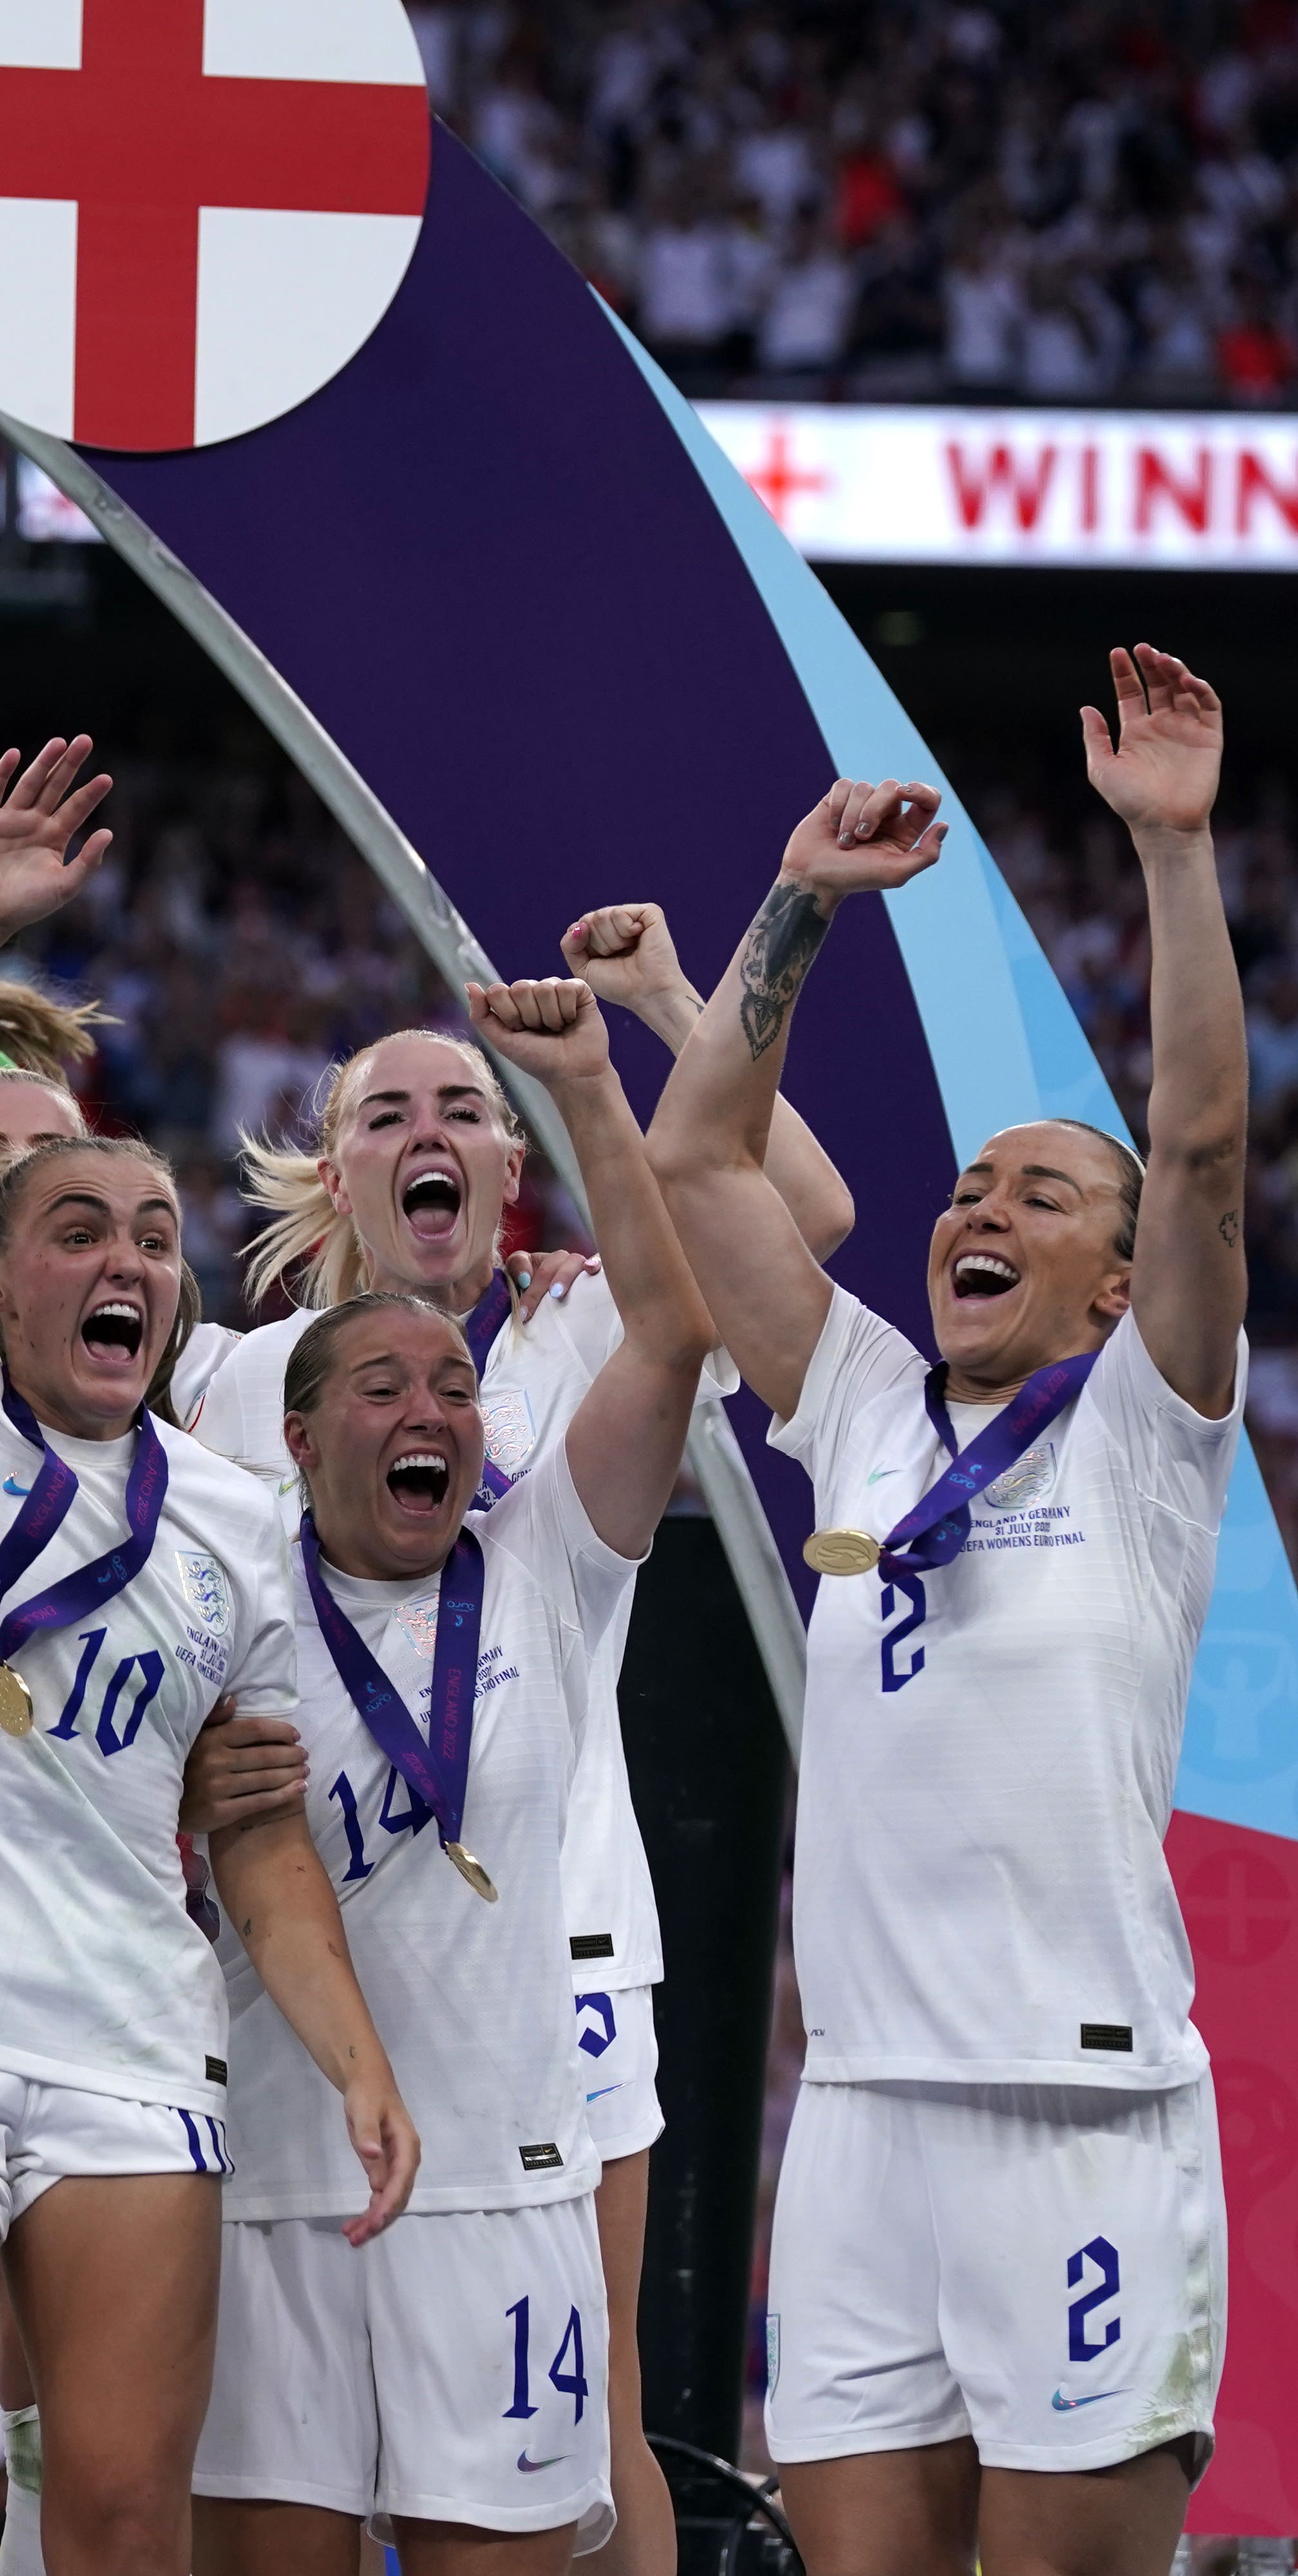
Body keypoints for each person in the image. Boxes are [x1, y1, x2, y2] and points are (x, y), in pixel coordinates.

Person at [0, 733, 418, 2576]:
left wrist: (354, 2054)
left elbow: (265, 1832)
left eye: (150, 1236)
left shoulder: (233, 1517)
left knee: (125, 2522)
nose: (124, 1257)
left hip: (132, 2040)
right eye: (75, 1231)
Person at [646, 651, 1244, 2576]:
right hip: (862, 2129)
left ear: (1115, 1281)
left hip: (1076, 2113)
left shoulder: (1148, 1431)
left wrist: (1170, 854)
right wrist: (799, 902)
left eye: (1049, 1194)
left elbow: (1210, 1151)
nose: (982, 1202)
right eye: (974, 1181)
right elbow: (695, 1162)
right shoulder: (870, 1408)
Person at [188, 944, 856, 2576]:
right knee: (295, 2438)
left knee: (593, 2409)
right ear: (334, 1167)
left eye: (464, 1107)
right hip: (296, 1938)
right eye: (387, 1111)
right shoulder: (220, 1384)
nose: (429, 1128)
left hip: (554, 1930)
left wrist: (643, 1031)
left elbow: (806, 1227)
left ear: (504, 1164)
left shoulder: (576, 1330)